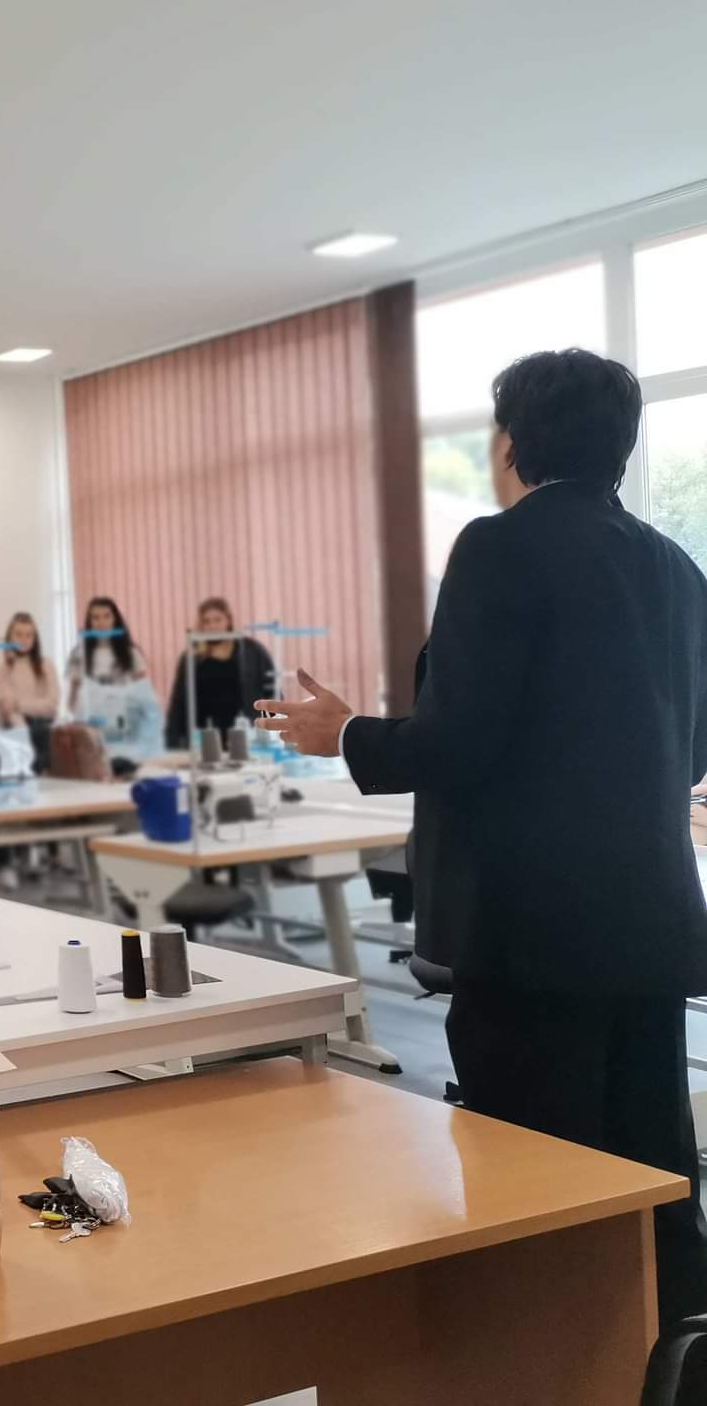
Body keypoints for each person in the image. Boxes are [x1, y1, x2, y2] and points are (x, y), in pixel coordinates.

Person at [256, 348, 707, 1330]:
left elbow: (458, 741)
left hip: (531, 930)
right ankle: (669, 1362)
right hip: (650, 922)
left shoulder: (498, 548)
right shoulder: (677, 570)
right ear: (622, 445)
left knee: (536, 1182)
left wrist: (343, 732)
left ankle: (543, 1369)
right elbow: (692, 751)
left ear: (510, 443)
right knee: (653, 1169)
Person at [164, 597, 276, 749]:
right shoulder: (192, 657)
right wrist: (172, 741)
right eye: (207, 621)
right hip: (204, 736)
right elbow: (179, 702)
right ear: (201, 625)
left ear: (228, 621)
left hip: (244, 733)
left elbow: (272, 691)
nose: (212, 626)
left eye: (217, 620)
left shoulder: (251, 650)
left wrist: (274, 730)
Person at [0, 611, 60, 759]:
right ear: (10, 636)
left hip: (44, 731)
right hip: (16, 734)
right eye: (18, 634)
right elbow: (8, 709)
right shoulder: (1, 669)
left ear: (35, 639)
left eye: (29, 635)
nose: (24, 639)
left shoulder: (47, 665)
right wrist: (24, 736)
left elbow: (51, 704)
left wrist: (18, 704)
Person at [65, 595, 149, 713]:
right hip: (90, 717)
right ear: (89, 622)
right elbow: (72, 696)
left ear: (115, 619)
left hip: (124, 717)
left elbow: (143, 691)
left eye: (107, 616)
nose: (101, 622)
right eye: (95, 618)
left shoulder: (131, 652)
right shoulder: (77, 653)